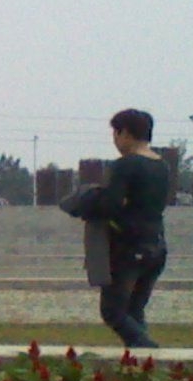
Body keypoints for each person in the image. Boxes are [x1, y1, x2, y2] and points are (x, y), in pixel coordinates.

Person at [73, 109, 170, 349]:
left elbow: (109, 204)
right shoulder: (162, 166)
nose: (115, 140)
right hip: (156, 244)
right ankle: (142, 363)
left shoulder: (125, 166)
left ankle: (149, 353)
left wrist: (84, 202)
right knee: (134, 311)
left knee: (113, 311)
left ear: (124, 133)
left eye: (115, 134)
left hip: (128, 246)